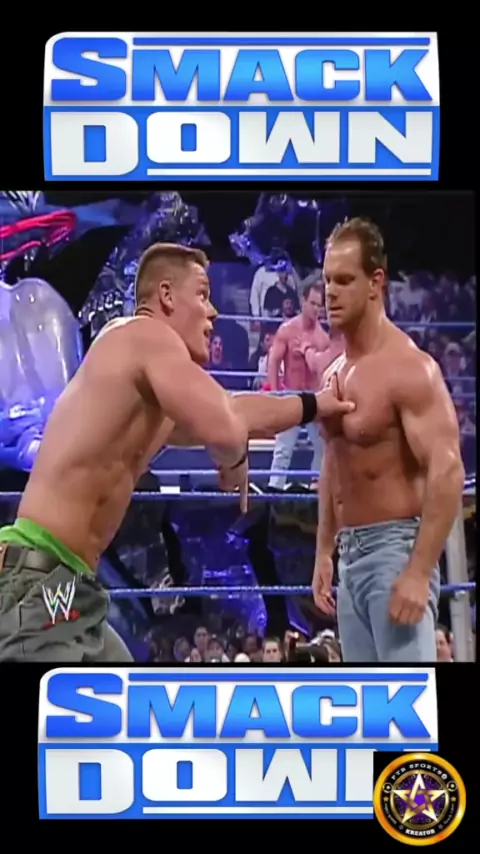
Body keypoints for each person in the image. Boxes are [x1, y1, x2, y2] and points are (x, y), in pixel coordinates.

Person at [0, 243, 354, 663]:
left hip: (73, 583)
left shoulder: (149, 394)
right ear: (166, 296)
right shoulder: (143, 335)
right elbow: (226, 428)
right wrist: (234, 460)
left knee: (129, 696)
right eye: (202, 294)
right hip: (38, 575)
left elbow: (239, 411)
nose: (213, 312)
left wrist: (315, 405)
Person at [312, 218, 465, 663]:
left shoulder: (410, 369)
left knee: (408, 696)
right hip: (349, 555)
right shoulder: (333, 373)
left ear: (376, 282)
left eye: (344, 280)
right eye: (326, 280)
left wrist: (418, 570)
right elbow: (334, 462)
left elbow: (447, 469)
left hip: (395, 551)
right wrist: (324, 550)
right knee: (367, 698)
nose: (330, 292)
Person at [267, 283, 331, 490]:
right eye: (312, 303)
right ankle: (274, 492)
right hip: (291, 396)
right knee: (283, 450)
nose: (316, 309)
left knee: (322, 447)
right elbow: (274, 361)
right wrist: (275, 392)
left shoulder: (323, 338)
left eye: (319, 305)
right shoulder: (287, 330)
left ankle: (315, 489)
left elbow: (324, 370)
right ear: (303, 301)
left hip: (314, 397)